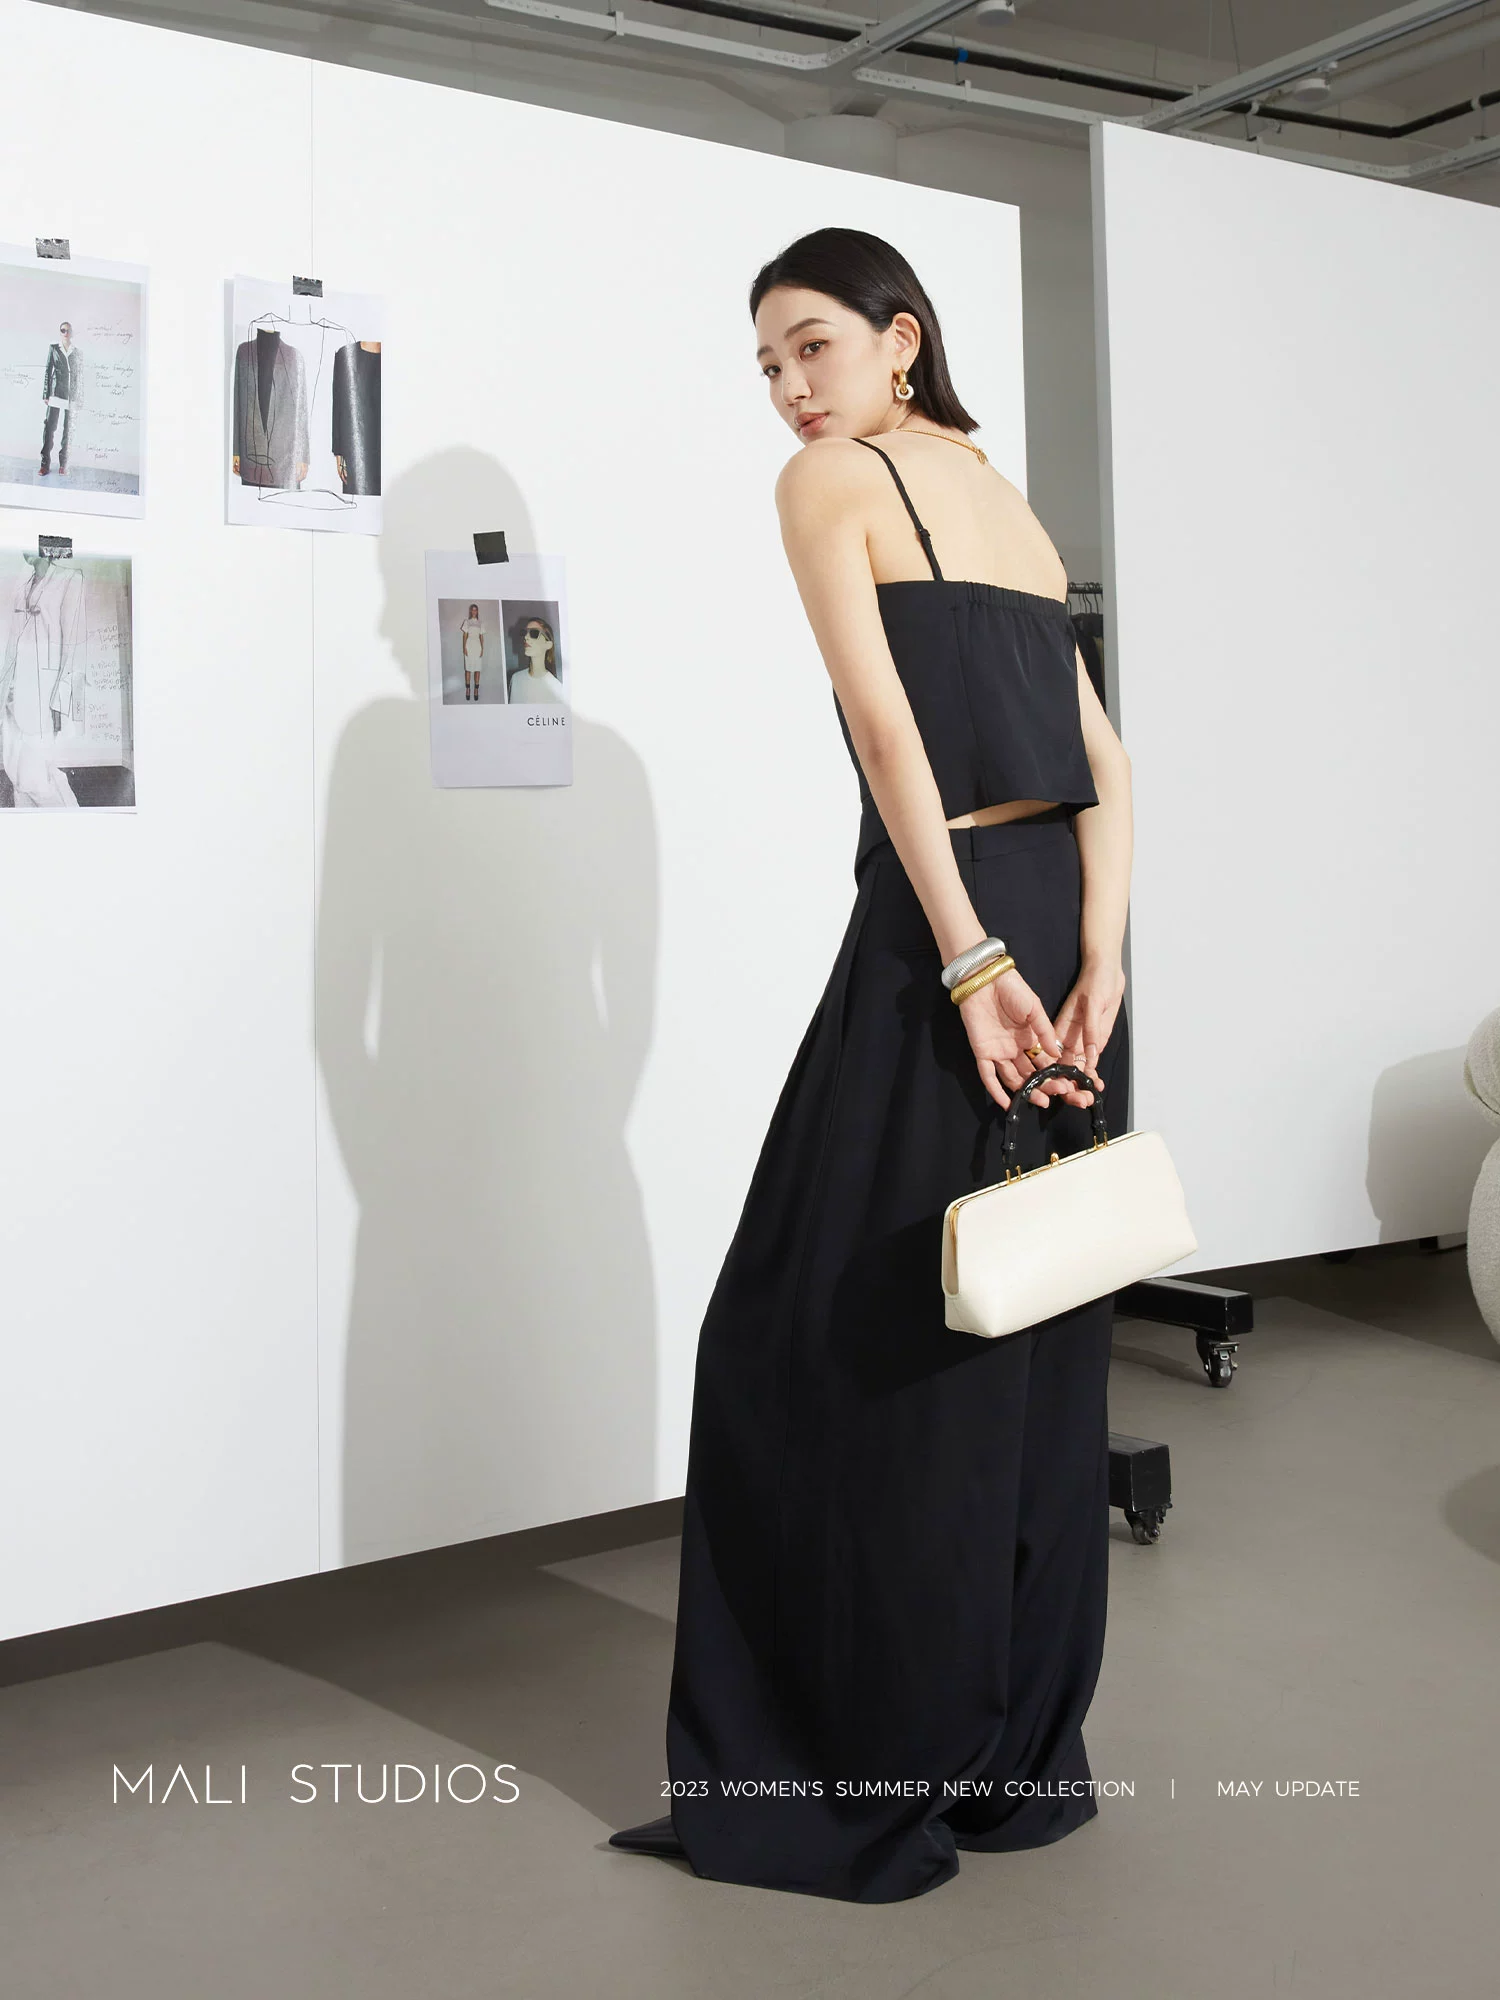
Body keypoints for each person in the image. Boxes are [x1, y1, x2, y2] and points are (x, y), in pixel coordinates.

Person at [608, 227, 1133, 1902]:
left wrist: (969, 960)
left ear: (902, 337)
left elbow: (885, 728)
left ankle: (855, 1768)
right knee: (1025, 1342)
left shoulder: (832, 485)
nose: (788, 389)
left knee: (826, 1345)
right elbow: (1103, 756)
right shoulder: (1001, 495)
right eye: (768, 365)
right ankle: (1010, 1764)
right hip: (1056, 928)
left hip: (947, 929)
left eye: (813, 346)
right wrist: (1102, 956)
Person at [460, 604, 485, 701]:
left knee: (477, 669)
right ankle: (468, 689)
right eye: (473, 610)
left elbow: (481, 636)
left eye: (476, 610)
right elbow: (465, 635)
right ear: (470, 611)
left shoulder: (480, 623)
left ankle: (476, 690)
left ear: (477, 611)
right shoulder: (467, 622)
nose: (474, 611)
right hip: (469, 646)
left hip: (477, 647)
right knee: (468, 669)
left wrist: (482, 648)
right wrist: (464, 647)